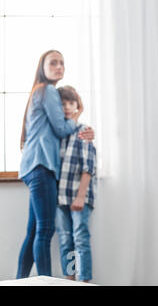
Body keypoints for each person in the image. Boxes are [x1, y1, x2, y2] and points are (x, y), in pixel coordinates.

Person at [17, 50, 94, 278]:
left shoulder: (38, 92)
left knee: (33, 232)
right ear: (42, 67)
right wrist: (78, 118)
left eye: (62, 63)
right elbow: (61, 128)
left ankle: (18, 280)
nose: (59, 66)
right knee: (45, 230)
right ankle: (46, 282)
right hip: (42, 166)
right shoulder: (48, 91)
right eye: (53, 63)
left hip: (33, 166)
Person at [55, 86, 97, 283]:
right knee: (65, 240)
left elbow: (88, 167)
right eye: (62, 103)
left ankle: (84, 281)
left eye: (70, 103)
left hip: (79, 195)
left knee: (80, 237)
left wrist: (80, 196)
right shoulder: (58, 134)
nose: (66, 107)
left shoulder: (83, 132)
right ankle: (68, 280)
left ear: (77, 106)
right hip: (60, 196)